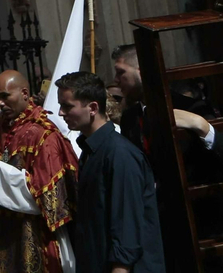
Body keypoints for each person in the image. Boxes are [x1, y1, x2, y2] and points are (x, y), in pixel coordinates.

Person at [111, 43, 223, 240]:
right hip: (160, 228)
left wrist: (200, 125)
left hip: (206, 226)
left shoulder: (194, 108)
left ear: (143, 72)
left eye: (121, 72)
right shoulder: (130, 118)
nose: (116, 80)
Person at [0, 70, 75, 273]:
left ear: (25, 93)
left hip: (35, 233)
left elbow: (47, 197)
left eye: (5, 96)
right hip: (5, 231)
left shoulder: (43, 133)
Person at [55, 71, 164, 273]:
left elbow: (127, 225)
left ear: (93, 108)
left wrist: (120, 269)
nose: (61, 113)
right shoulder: (91, 152)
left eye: (68, 106)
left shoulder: (120, 155)